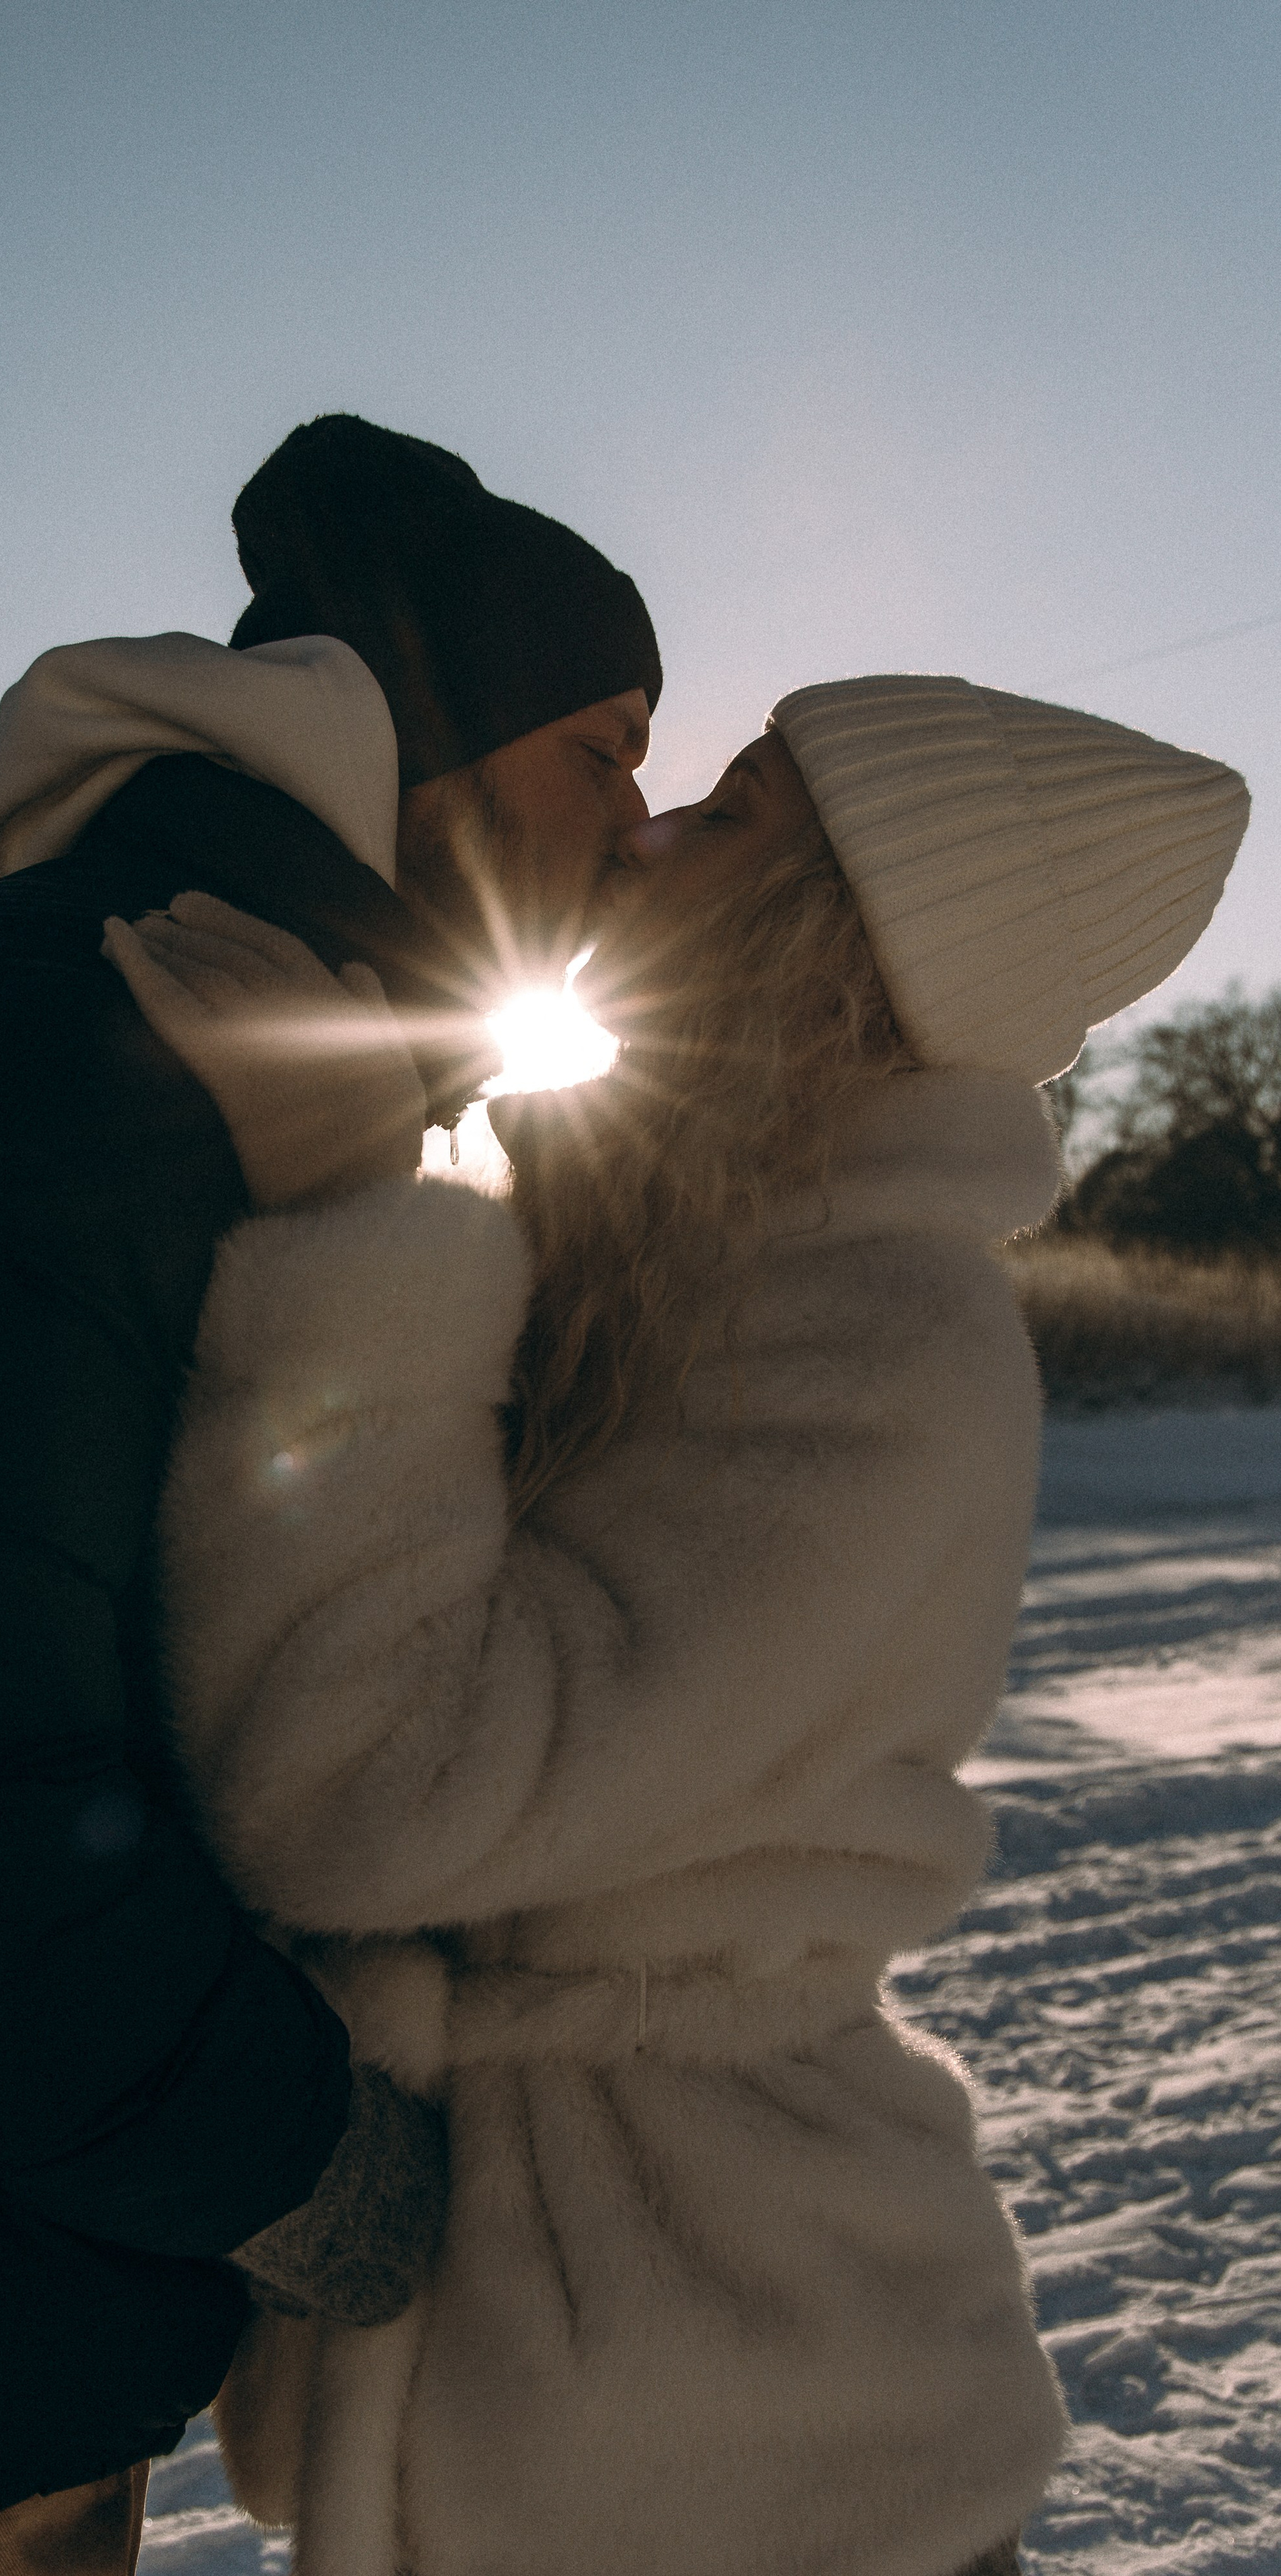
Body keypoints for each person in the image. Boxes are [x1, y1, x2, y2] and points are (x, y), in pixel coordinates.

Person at [0, 417, 659, 2567]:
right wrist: (288, 2157)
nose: (635, 823)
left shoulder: (205, 1030)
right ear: (443, 741)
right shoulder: (73, 1034)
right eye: (602, 750)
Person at [107, 674, 1249, 2576]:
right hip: (626, 2383)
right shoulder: (672, 1257)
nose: (641, 830)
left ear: (841, 943)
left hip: (745, 2419)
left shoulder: (880, 1345)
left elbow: (377, 1785)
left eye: (728, 817)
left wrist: (336, 1217)